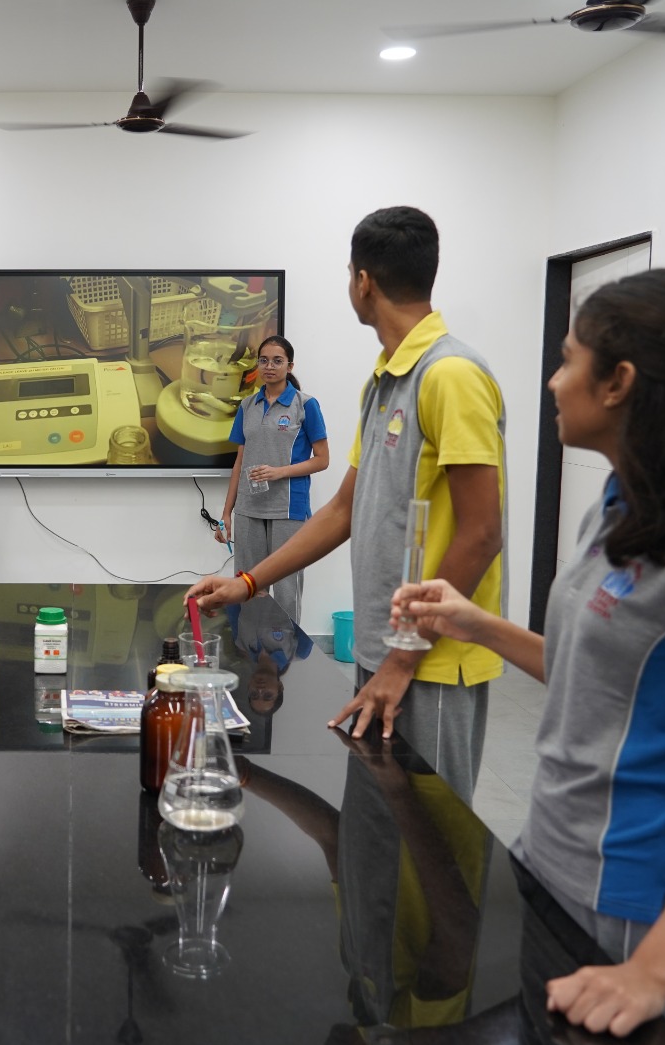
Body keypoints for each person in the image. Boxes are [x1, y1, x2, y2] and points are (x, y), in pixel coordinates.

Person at [391, 269, 665, 1045]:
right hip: (548, 864)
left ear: (619, 383)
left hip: (635, 905)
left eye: (567, 359)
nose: (552, 380)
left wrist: (653, 970)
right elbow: (601, 679)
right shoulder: (616, 511)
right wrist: (478, 624)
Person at [190, 206, 506, 802]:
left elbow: (483, 531)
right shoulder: (383, 383)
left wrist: (404, 658)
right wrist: (247, 583)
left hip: (430, 660)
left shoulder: (451, 375)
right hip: (379, 649)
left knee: (433, 829)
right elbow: (342, 511)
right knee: (380, 821)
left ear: (363, 281)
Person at [213, 335, 330, 623]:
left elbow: (322, 460)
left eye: (277, 361)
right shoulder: (247, 406)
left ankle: (289, 651)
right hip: (248, 509)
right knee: (249, 587)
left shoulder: (306, 405)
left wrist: (279, 472)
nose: (269, 366)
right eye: (264, 360)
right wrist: (226, 513)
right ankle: (250, 647)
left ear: (290, 366)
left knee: (287, 590)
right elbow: (239, 463)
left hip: (288, 509)